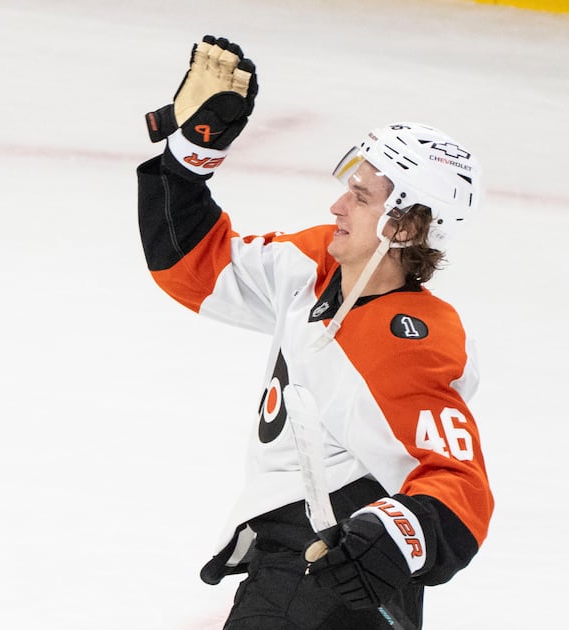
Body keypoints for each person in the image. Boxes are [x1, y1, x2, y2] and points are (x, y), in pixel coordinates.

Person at [137, 36, 493, 628]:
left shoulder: (411, 341)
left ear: (404, 225)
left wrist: (392, 536)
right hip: (301, 570)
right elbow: (192, 268)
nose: (337, 206)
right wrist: (186, 159)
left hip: (328, 580)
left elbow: (460, 484)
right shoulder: (320, 266)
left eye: (359, 197)